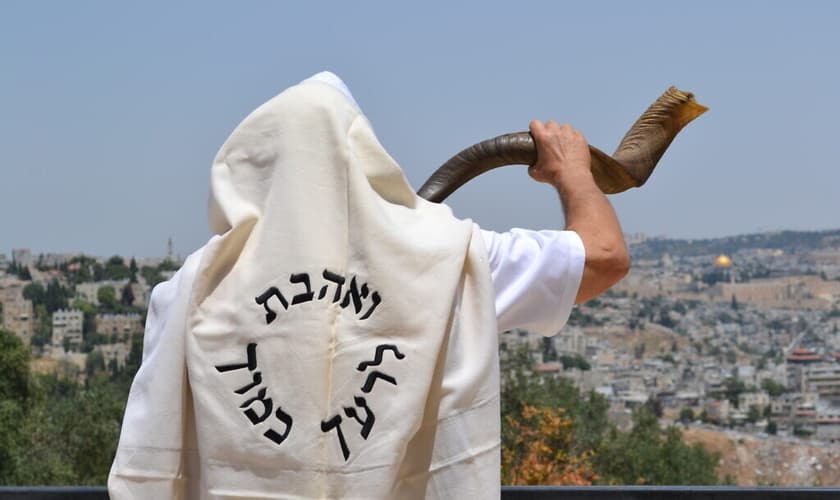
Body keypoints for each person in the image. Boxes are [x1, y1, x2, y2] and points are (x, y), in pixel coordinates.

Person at [108, 72, 628, 499]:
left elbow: (148, 470)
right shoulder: (448, 260)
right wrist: (572, 172)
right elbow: (603, 257)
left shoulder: (189, 290)